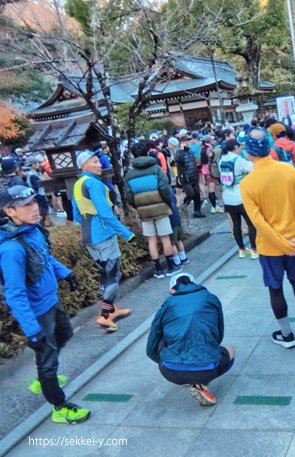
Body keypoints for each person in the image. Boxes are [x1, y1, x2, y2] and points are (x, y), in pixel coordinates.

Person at [0, 185, 89, 424]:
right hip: (37, 312)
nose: (35, 208)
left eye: (34, 202)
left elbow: (45, 259)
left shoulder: (33, 231)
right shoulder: (10, 249)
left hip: (51, 301)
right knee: (47, 357)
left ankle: (43, 376)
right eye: (26, 205)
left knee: (65, 334)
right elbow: (15, 294)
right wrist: (32, 332)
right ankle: (59, 407)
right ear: (10, 212)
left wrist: (67, 274)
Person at [240, 127, 295, 349]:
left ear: (248, 152)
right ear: (269, 146)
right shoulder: (288, 171)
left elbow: (258, 222)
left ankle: (287, 335)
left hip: (270, 246)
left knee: (275, 289)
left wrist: (282, 244)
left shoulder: (247, 183)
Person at [146, 273, 235, 406]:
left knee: (162, 337)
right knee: (230, 349)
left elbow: (152, 344)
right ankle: (200, 381)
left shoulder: (168, 304)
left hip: (170, 370)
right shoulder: (211, 298)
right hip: (208, 369)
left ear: (172, 290)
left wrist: (162, 361)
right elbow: (218, 335)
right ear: (195, 284)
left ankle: (191, 378)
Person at [72, 151, 133, 332]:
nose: (100, 165)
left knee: (106, 275)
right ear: (84, 165)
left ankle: (112, 310)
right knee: (113, 275)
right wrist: (126, 233)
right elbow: (106, 212)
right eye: (96, 162)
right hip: (103, 235)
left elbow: (75, 213)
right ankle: (105, 316)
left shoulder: (78, 184)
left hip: (89, 236)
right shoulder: (93, 184)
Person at [124, 142, 181, 279]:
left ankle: (158, 269)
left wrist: (138, 206)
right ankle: (171, 266)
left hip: (144, 212)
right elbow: (165, 189)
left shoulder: (130, 175)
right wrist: (167, 203)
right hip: (161, 208)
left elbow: (129, 196)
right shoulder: (156, 169)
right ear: (147, 152)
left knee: (151, 240)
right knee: (165, 237)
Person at [218, 139, 258, 259]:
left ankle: (241, 250)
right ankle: (254, 251)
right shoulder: (238, 160)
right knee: (251, 224)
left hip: (228, 197)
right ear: (235, 147)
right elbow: (253, 169)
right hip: (241, 196)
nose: (240, 149)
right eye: (239, 147)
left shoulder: (221, 161)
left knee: (236, 225)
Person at [175, 133, 205, 218]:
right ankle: (183, 207)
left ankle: (197, 211)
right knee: (191, 193)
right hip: (185, 178)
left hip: (193, 176)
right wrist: (181, 149)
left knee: (197, 195)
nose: (188, 142)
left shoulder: (190, 150)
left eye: (188, 140)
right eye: (186, 141)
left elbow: (194, 161)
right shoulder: (179, 152)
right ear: (182, 142)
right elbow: (177, 160)